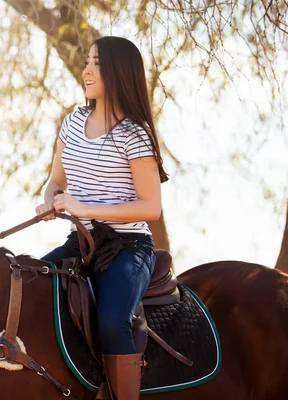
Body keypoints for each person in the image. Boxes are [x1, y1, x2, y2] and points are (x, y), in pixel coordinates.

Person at [36, 36, 169, 400]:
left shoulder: (135, 133)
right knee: (27, 287)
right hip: (81, 242)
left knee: (112, 321)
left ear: (118, 72)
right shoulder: (73, 121)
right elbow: (56, 181)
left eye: (97, 63)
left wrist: (85, 209)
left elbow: (150, 208)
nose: (87, 70)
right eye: (88, 62)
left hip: (129, 248)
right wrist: (49, 201)